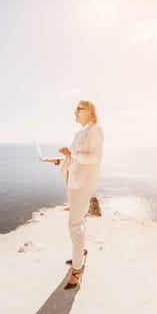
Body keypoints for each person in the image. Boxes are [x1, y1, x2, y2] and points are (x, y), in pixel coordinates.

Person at [57, 100, 104, 289]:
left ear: (91, 112)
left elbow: (95, 158)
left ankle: (77, 270)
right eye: (75, 109)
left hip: (82, 185)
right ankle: (80, 252)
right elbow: (74, 156)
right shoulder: (79, 133)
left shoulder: (96, 130)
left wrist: (72, 154)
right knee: (79, 221)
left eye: (79, 109)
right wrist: (60, 158)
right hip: (73, 181)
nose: (75, 112)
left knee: (74, 225)